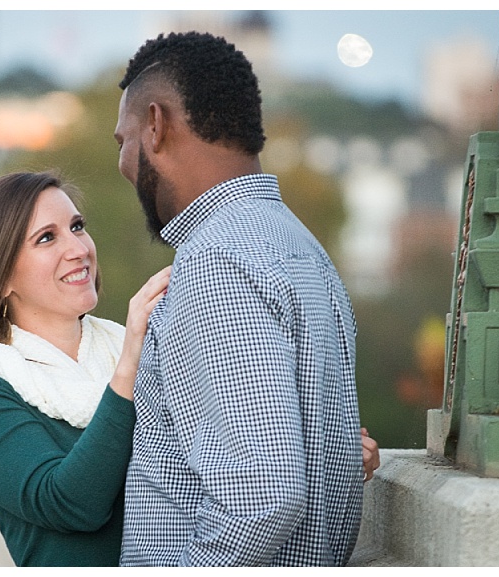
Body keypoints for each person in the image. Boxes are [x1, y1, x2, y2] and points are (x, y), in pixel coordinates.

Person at [0, 172, 382, 565]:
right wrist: (128, 370)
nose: (78, 248)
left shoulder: (130, 345)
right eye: (47, 238)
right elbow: (71, 503)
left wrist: (326, 453)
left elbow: (223, 464)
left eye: (77, 227)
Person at [113, 31, 365, 566]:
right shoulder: (298, 244)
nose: (124, 164)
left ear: (156, 126)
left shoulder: (217, 261)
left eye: (124, 142)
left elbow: (262, 499)